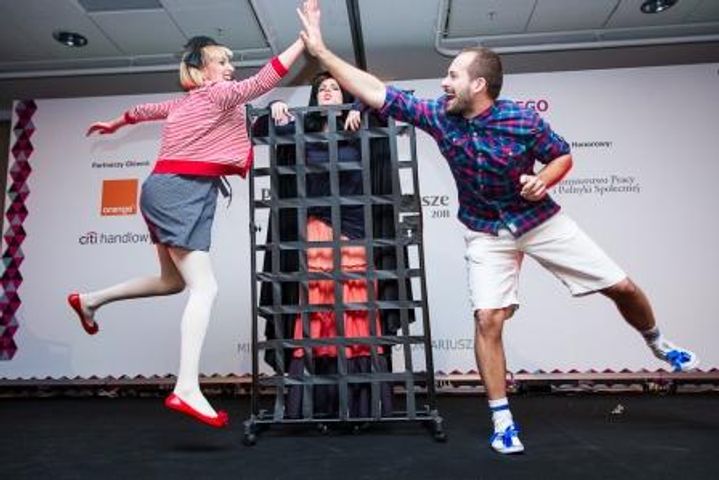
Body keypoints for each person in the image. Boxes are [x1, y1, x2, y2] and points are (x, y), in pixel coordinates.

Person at [296, 0, 700, 453]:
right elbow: (376, 92)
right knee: (488, 318)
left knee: (621, 287)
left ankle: (658, 343)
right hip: (486, 231)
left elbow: (562, 155)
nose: (444, 83)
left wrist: (544, 179)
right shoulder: (439, 117)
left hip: (538, 221)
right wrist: (322, 52)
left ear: (478, 84)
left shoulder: (521, 119)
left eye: (453, 75)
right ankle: (502, 420)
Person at [67, 35, 305, 428]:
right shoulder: (218, 95)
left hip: (167, 189)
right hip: (181, 191)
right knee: (205, 288)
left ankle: (91, 300)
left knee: (171, 282)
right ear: (200, 72)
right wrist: (303, 42)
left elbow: (144, 110)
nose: (230, 69)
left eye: (229, 63)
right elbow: (263, 80)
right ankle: (187, 387)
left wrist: (117, 122)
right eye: (221, 62)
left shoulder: (187, 102)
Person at [253, 72, 393, 418]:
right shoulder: (301, 128)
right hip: (316, 231)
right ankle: (315, 405)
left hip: (355, 231)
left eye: (335, 88)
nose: (329, 92)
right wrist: (276, 107)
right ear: (315, 98)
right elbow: (258, 130)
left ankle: (360, 407)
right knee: (317, 309)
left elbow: (386, 104)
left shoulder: (361, 124)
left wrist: (360, 105)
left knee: (355, 309)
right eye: (322, 89)